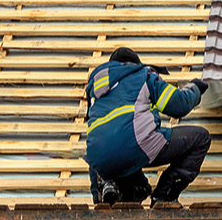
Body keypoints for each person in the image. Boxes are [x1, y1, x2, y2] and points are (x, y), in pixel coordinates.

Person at [84, 47, 211, 206]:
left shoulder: (95, 89)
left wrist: (98, 198)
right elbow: (178, 105)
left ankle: (108, 188)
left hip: (99, 160)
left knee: (140, 187)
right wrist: (195, 88)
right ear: (135, 64)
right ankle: (164, 196)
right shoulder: (143, 75)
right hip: (137, 145)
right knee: (201, 138)